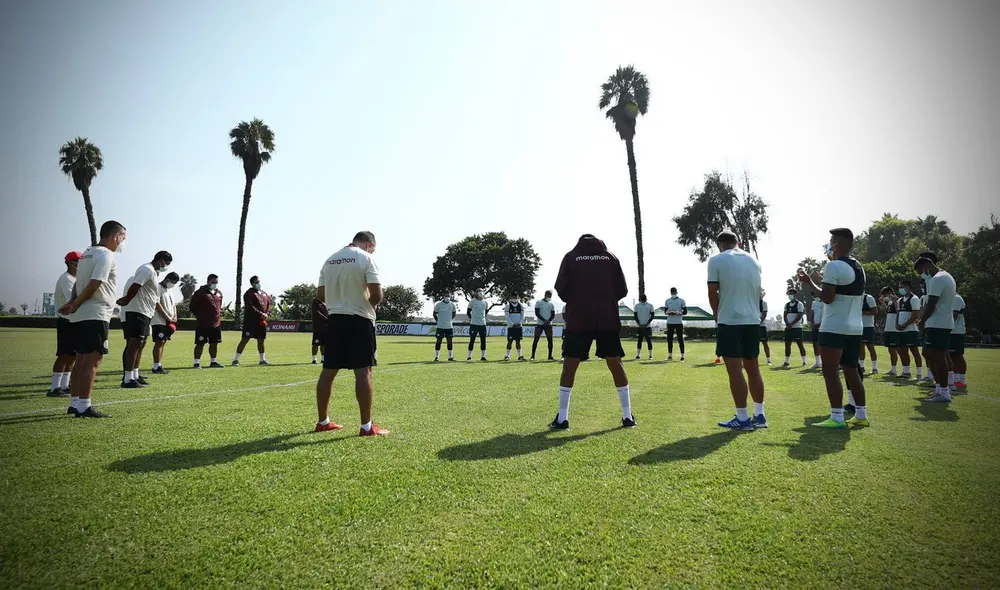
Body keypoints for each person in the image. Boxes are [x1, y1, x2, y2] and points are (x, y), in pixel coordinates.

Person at [551, 234, 634, 429]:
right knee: (615, 362)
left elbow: (560, 288)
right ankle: (627, 415)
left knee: (570, 363)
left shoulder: (571, 257)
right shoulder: (611, 258)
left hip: (579, 317)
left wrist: (577, 299)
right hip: (607, 316)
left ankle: (562, 418)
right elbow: (622, 290)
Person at [314, 231, 388, 436]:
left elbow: (320, 295)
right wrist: (369, 305)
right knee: (363, 371)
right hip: (360, 320)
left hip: (335, 319)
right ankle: (366, 426)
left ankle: (323, 421)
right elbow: (377, 293)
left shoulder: (330, 260)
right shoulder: (367, 258)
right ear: (370, 244)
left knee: (328, 371)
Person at [797, 228, 867, 428]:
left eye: (830, 241)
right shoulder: (858, 266)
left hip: (834, 326)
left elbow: (828, 297)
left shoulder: (833, 266)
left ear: (837, 244)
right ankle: (861, 415)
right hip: (855, 327)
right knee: (852, 370)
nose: (828, 245)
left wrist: (809, 282)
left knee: (831, 371)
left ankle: (836, 417)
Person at [58, 220, 126, 418]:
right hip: (95, 313)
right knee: (93, 361)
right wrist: (76, 303)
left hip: (81, 315)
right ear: (115, 236)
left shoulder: (88, 252)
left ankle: (75, 403)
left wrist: (73, 303)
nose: (123, 243)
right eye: (123, 238)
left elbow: (78, 284)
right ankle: (85, 406)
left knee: (80, 360)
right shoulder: (106, 254)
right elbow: (95, 283)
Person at [707, 231, 766, 431]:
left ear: (720, 245)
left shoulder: (717, 260)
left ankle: (742, 418)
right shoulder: (754, 261)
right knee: (753, 368)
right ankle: (759, 415)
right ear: (737, 242)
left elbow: (712, 292)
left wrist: (716, 313)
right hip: (752, 320)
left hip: (730, 321)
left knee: (734, 370)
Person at [117, 251, 173, 388]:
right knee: (134, 343)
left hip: (145, 312)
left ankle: (135, 375)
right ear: (160, 260)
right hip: (137, 311)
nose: (166, 266)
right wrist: (127, 299)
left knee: (140, 343)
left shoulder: (153, 272)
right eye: (166, 263)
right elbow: (136, 285)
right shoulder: (146, 269)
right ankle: (127, 378)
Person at [915, 257, 957, 402]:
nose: (922, 274)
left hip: (938, 323)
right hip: (938, 322)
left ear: (927, 265)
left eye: (921, 271)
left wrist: (922, 321)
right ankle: (939, 389)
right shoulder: (946, 276)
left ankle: (944, 392)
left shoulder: (937, 279)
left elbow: (931, 304)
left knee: (938, 357)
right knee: (928, 353)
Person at [49, 251, 81, 397]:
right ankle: (54, 388)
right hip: (66, 321)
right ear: (71, 263)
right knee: (64, 355)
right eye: (78, 262)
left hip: (74, 321)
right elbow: (74, 300)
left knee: (72, 356)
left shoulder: (76, 279)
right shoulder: (66, 279)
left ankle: (64, 385)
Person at [234, 276, 270, 366]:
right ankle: (235, 359)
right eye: (256, 282)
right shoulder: (248, 293)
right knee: (245, 340)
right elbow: (250, 306)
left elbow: (269, 305)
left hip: (261, 322)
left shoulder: (264, 294)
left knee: (261, 340)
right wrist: (260, 314)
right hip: (250, 322)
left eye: (259, 281)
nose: (258, 284)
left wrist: (267, 314)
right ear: (252, 283)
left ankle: (262, 360)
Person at [191, 274, 225, 368]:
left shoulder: (219, 293)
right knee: (200, 343)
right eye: (213, 282)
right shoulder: (200, 292)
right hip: (203, 323)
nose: (214, 284)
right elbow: (192, 306)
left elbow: (219, 307)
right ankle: (196, 363)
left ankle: (213, 362)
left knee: (214, 343)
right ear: (208, 281)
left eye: (216, 282)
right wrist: (200, 316)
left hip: (216, 323)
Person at [150, 272, 180, 374]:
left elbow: (173, 305)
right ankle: (156, 366)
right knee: (159, 342)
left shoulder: (170, 290)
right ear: (167, 279)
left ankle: (159, 364)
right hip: (158, 320)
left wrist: (175, 316)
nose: (173, 285)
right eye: (172, 282)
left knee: (163, 342)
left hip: (168, 321)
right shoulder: (157, 287)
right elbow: (157, 304)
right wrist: (167, 317)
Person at [895, 280, 923, 380]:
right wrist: (897, 325)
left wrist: (905, 325)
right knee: (902, 351)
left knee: (914, 351)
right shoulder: (899, 300)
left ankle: (919, 373)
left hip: (911, 330)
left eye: (902, 287)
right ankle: (906, 372)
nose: (900, 289)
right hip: (901, 330)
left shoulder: (914, 299)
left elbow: (915, 315)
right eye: (899, 287)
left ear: (908, 287)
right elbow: (898, 314)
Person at [782, 288, 808, 367]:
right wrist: (787, 323)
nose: (790, 296)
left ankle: (804, 361)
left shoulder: (799, 304)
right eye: (788, 294)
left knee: (800, 344)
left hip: (797, 328)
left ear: (795, 295)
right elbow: (785, 315)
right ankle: (787, 361)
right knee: (787, 344)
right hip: (788, 328)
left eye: (791, 294)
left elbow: (799, 316)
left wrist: (792, 324)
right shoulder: (787, 305)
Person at [880, 286, 900, 376]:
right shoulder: (890, 302)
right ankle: (893, 369)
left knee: (898, 350)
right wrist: (882, 302)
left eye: (885, 295)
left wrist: (895, 301)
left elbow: (898, 311)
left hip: (895, 329)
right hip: (888, 328)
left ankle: (904, 370)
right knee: (890, 350)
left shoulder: (898, 300)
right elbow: (886, 312)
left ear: (890, 293)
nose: (885, 297)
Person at [532, 291, 557, 360]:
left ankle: (550, 356)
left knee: (550, 340)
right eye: (548, 295)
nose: (549, 297)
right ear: (545, 294)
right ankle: (533, 356)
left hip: (548, 324)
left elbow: (553, 314)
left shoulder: (551, 304)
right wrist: (544, 320)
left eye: (550, 295)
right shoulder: (539, 302)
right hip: (540, 324)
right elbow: (537, 313)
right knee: (536, 339)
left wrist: (548, 321)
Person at [950, 291, 968, 390]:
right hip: (951, 332)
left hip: (956, 331)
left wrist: (946, 326)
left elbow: (955, 315)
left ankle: (962, 380)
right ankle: (956, 379)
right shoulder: (950, 298)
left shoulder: (956, 298)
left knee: (958, 355)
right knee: (951, 355)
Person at [664, 288, 687, 361]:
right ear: (670, 292)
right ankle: (670, 356)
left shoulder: (681, 301)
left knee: (680, 339)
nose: (673, 293)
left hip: (678, 322)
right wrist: (669, 312)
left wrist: (679, 313)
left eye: (674, 292)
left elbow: (685, 312)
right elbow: (665, 311)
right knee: (669, 339)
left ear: (677, 292)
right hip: (670, 322)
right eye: (672, 292)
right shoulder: (667, 301)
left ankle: (682, 356)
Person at [433, 295, 458, 361]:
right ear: (443, 297)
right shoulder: (438, 304)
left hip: (449, 326)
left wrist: (450, 319)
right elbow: (434, 313)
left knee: (449, 341)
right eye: (446, 296)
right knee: (439, 341)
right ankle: (436, 357)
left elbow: (454, 312)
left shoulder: (452, 304)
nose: (447, 297)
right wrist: (438, 320)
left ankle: (450, 357)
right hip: (440, 326)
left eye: (448, 296)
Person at [859, 292, 879, 374]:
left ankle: (875, 368)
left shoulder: (868, 298)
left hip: (868, 326)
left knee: (870, 347)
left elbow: (875, 311)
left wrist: (862, 312)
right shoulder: (856, 298)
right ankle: (861, 367)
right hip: (858, 326)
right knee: (860, 347)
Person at [466, 290, 488, 361]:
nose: (481, 293)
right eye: (479, 291)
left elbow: (486, 312)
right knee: (472, 340)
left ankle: (483, 356)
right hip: (474, 324)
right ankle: (469, 356)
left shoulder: (485, 302)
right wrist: (472, 319)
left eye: (482, 291)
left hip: (482, 324)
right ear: (476, 293)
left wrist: (483, 319)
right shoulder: (472, 301)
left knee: (483, 340)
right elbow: (468, 312)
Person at [633, 294, 655, 361]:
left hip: (647, 327)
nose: (643, 301)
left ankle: (651, 355)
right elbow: (635, 316)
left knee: (649, 341)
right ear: (640, 299)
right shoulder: (637, 306)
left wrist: (647, 323)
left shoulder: (650, 306)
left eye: (644, 300)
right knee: (639, 341)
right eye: (642, 300)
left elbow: (652, 316)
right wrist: (639, 324)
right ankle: (638, 355)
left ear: (646, 299)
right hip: (640, 326)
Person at [808, 287, 824, 369]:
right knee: (815, 344)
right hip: (815, 327)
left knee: (824, 345)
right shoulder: (814, 303)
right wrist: (812, 322)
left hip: (824, 327)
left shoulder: (825, 302)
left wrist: (820, 324)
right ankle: (817, 362)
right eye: (813, 296)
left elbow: (826, 315)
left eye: (815, 295)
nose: (815, 297)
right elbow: (812, 313)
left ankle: (824, 362)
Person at [311, 297, 327, 364]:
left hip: (325, 328)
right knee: (315, 344)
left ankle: (323, 359)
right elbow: (317, 312)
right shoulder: (315, 302)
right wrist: (326, 319)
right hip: (318, 328)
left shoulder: (324, 304)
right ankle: (314, 359)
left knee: (323, 344)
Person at [758, 290, 772, 365]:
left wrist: (759, 322)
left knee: (765, 343)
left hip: (761, 326)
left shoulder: (764, 303)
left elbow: (764, 314)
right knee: (753, 344)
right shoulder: (752, 302)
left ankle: (769, 360)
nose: (760, 295)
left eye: (761, 293)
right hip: (753, 326)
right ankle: (754, 359)